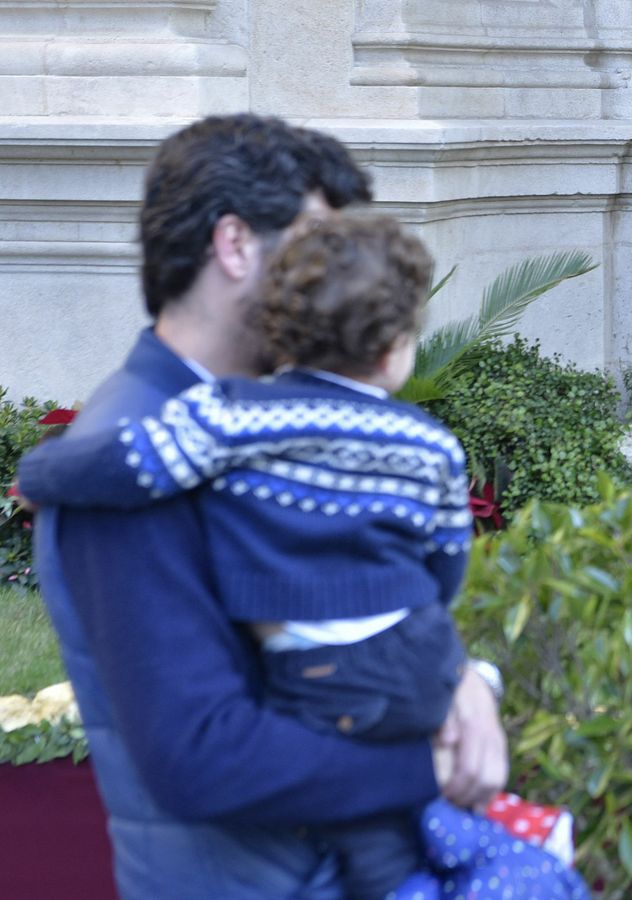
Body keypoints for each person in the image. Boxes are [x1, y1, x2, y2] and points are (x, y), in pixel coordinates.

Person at [14, 114, 507, 899]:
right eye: (316, 247)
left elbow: (371, 599)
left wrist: (461, 680)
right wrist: (432, 762)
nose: (340, 279)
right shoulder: (136, 452)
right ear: (235, 244)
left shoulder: (262, 427)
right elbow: (202, 757)